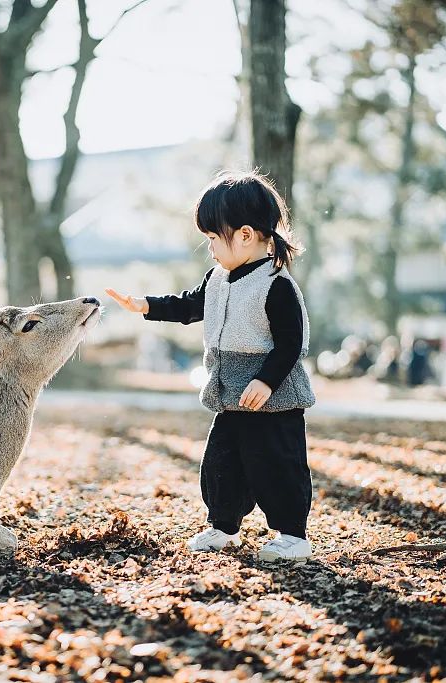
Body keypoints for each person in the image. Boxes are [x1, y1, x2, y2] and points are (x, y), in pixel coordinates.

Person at [106, 170, 316, 562]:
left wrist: (266, 381)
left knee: (277, 467)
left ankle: (293, 534)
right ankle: (223, 525)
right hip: (230, 397)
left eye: (214, 238)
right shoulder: (218, 279)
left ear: (247, 235)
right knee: (221, 465)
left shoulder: (276, 285)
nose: (211, 249)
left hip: (273, 400)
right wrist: (146, 305)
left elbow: (292, 343)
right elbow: (189, 306)